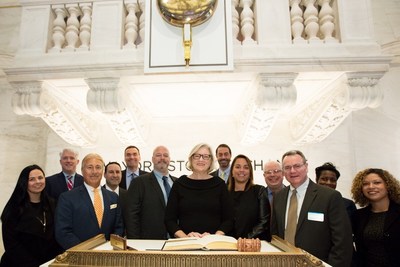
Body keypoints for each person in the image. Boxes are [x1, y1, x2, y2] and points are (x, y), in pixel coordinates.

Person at [271, 150, 353, 267]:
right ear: (283, 172)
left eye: (297, 166)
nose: (292, 171)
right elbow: (276, 236)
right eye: (287, 167)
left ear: (306, 167)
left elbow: (343, 242)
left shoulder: (329, 196)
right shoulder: (279, 197)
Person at [55, 153, 124, 250]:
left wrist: (111, 248)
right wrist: (84, 251)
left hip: (108, 255)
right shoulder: (67, 198)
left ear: (103, 171)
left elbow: (118, 227)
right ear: (82, 171)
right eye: (90, 167)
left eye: (98, 167)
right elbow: (63, 232)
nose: (94, 171)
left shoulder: (113, 197)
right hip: (80, 257)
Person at [165, 143, 234, 238]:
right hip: (185, 245)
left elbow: (229, 219)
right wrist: (185, 238)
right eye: (197, 156)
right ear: (191, 159)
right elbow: (169, 220)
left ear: (211, 161)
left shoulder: (220, 184)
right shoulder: (179, 184)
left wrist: (214, 237)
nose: (201, 159)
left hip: (214, 245)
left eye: (206, 156)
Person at [1, 165, 63, 267]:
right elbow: (11, 244)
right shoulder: (13, 209)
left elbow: (56, 236)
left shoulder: (53, 204)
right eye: (32, 179)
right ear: (24, 182)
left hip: (48, 263)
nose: (38, 182)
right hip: (18, 263)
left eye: (40, 178)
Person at [125, 146, 177, 239]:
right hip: (149, 242)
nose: (162, 158)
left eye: (165, 155)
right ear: (152, 159)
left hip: (176, 240)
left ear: (169, 160)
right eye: (158, 155)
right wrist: (135, 243)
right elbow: (131, 215)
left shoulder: (177, 183)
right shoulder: (139, 182)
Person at [351, 168, 400, 267]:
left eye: (377, 182)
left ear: (388, 186)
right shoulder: (357, 216)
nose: (371, 187)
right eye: (365, 184)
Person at [227, 154, 271, 240]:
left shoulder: (259, 191)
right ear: (232, 171)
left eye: (246, 167)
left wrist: (246, 240)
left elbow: (264, 222)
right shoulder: (224, 192)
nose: (242, 170)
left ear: (250, 172)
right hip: (228, 244)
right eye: (238, 167)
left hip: (253, 244)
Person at [103, 162, 128, 227]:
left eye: (117, 172)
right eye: (111, 172)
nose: (115, 175)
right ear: (104, 175)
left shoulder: (128, 195)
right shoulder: (98, 194)